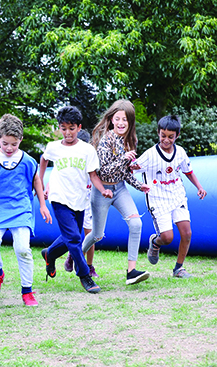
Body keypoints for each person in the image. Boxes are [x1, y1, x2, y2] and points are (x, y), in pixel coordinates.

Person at [0, 114, 52, 306]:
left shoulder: (27, 161)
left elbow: (36, 181)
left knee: (23, 249)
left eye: (14, 144)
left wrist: (42, 205)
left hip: (20, 209)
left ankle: (27, 290)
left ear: (20, 140)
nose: (9, 148)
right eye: (5, 143)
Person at [39, 106, 111, 294]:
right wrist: (42, 183)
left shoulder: (87, 150)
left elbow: (93, 175)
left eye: (71, 128)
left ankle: (50, 253)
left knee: (73, 237)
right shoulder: (53, 147)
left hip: (79, 199)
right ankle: (84, 275)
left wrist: (103, 190)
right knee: (74, 239)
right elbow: (44, 159)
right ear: (59, 128)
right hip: (59, 197)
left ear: (79, 127)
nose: (67, 133)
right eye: (63, 128)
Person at [81, 99, 151, 285]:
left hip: (119, 188)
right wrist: (123, 159)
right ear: (111, 120)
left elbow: (124, 172)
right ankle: (76, 256)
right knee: (97, 235)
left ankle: (131, 272)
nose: (121, 123)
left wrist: (139, 185)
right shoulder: (106, 140)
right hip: (102, 190)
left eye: (125, 119)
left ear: (130, 122)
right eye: (118, 119)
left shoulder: (129, 140)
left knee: (136, 224)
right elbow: (102, 171)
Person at [134, 115, 207, 278]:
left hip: (177, 196)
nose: (166, 140)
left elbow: (188, 171)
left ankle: (179, 268)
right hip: (157, 199)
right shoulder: (150, 155)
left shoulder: (180, 152)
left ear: (177, 136)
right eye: (163, 136)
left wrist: (200, 187)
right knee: (167, 238)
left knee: (187, 233)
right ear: (158, 133)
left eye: (170, 137)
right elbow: (131, 170)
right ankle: (155, 242)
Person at [62, 129, 98, 278]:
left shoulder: (92, 158)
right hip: (73, 202)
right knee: (74, 234)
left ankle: (89, 266)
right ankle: (73, 255)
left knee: (91, 235)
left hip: (89, 202)